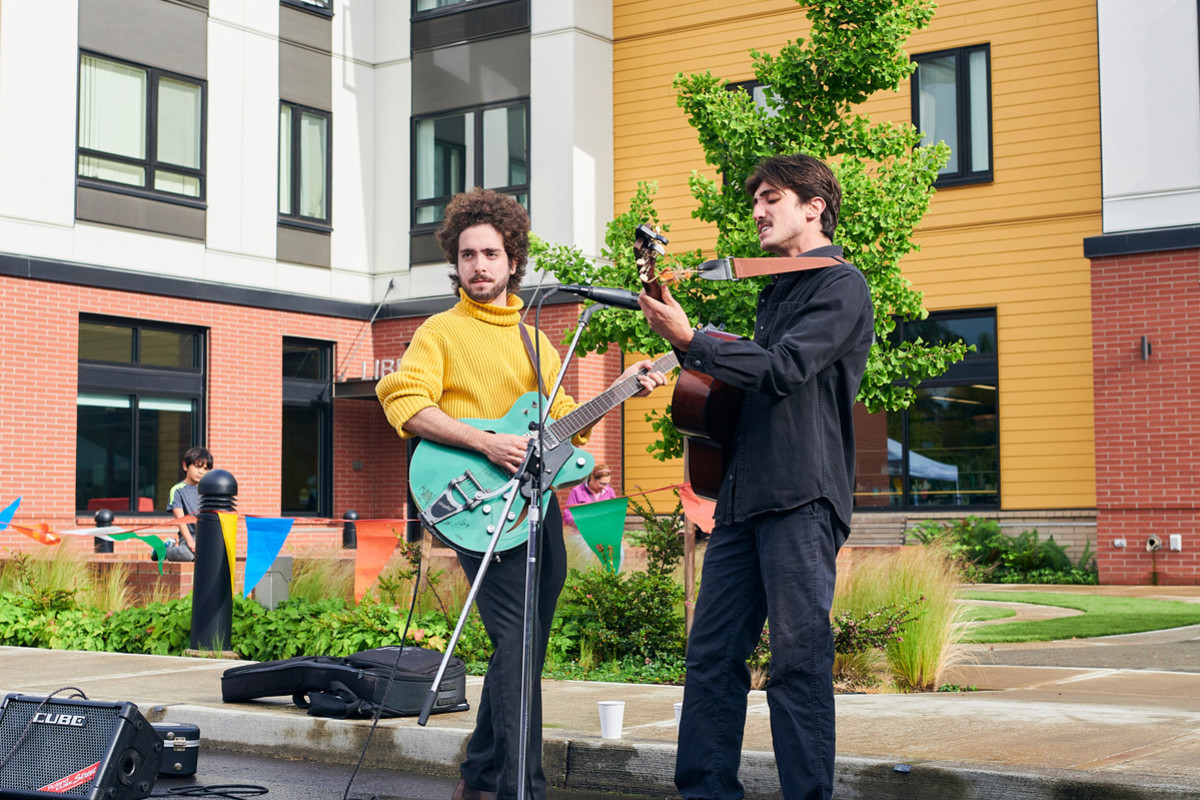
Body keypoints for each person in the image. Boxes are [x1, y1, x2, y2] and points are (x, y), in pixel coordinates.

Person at [375, 187, 666, 800]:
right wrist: (486, 443)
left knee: (522, 648)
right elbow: (404, 402)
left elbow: (567, 428)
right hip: (479, 506)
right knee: (520, 642)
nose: (479, 265)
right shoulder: (439, 331)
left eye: (491, 254)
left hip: (538, 506)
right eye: (468, 254)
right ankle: (518, 787)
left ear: (514, 261)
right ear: (456, 261)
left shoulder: (536, 342)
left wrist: (620, 389)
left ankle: (479, 775)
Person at [639, 154, 874, 800]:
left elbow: (783, 370)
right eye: (755, 202)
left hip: (803, 497)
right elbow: (750, 388)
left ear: (814, 207)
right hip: (742, 501)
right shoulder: (775, 291)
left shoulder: (841, 285)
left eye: (772, 198)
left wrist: (694, 340)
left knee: (798, 664)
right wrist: (689, 351)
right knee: (710, 657)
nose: (758, 212)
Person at [165, 446, 213, 562]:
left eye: (205, 469)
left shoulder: (209, 490)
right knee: (187, 555)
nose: (201, 471)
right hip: (188, 537)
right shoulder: (177, 490)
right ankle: (166, 549)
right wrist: (191, 543)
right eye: (197, 467)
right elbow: (180, 520)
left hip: (206, 537)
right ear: (185, 466)